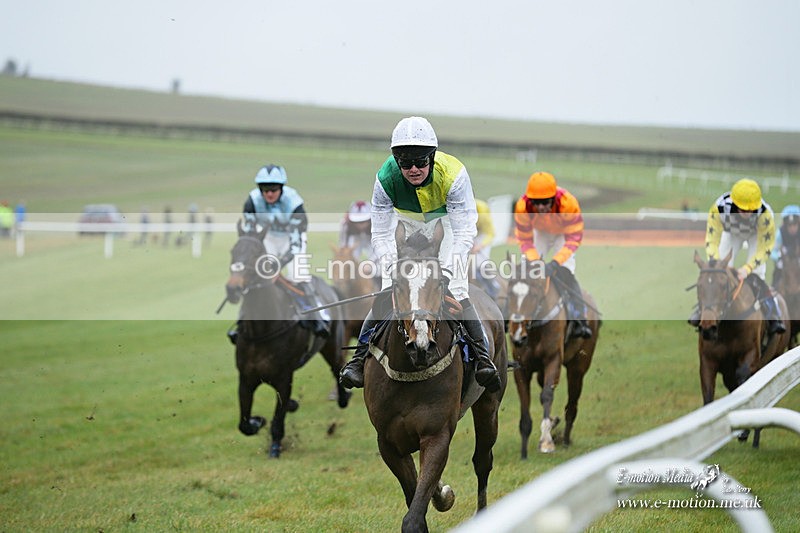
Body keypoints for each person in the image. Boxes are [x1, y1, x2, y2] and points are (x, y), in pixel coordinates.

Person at [338, 116, 501, 392]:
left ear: (432, 157)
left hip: (446, 225)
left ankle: (483, 359)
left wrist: (447, 271)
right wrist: (393, 269)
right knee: (387, 290)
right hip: (406, 223)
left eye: (420, 161)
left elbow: (464, 232)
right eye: (405, 163)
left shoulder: (454, 174)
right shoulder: (385, 178)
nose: (413, 169)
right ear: (396, 161)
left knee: (458, 289)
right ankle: (357, 360)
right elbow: (380, 234)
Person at [227, 164, 330, 344]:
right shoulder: (252, 202)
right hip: (267, 239)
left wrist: (278, 264)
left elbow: (296, 245)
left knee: (298, 276)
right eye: (264, 189)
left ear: (281, 188)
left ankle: (318, 317)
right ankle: (242, 321)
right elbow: (251, 236)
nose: (269, 193)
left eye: (273, 189)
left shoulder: (294, 203)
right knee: (254, 277)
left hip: (292, 240)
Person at [689, 178, 785, 334]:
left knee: (757, 275)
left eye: (751, 210)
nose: (748, 213)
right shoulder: (719, 208)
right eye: (743, 210)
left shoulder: (765, 215)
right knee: (717, 273)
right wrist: (717, 263)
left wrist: (748, 268)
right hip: (731, 233)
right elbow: (712, 239)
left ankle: (773, 315)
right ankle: (702, 311)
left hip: (756, 236)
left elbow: (765, 248)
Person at [513, 171, 593, 339]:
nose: (541, 207)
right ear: (530, 200)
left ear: (553, 198)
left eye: (545, 202)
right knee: (525, 272)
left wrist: (556, 263)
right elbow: (525, 239)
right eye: (536, 203)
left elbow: (573, 238)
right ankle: (512, 315)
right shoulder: (522, 207)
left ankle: (580, 318)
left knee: (565, 272)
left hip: (563, 235)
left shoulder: (568, 203)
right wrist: (536, 262)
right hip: (540, 233)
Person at [472, 198, 501, 300]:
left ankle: (493, 286)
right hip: (468, 232)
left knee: (479, 262)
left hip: (483, 233)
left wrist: (479, 246)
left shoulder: (482, 209)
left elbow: (490, 234)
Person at [770, 204, 800, 288]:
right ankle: (774, 288)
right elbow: (773, 251)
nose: (792, 228)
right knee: (779, 267)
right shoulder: (780, 233)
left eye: (795, 225)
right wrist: (778, 257)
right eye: (789, 225)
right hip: (785, 260)